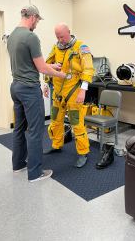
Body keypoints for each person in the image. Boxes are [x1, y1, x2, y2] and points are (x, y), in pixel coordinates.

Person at [7, 5, 66, 183]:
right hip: (29, 90)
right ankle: (35, 173)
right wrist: (60, 74)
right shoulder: (31, 37)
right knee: (35, 130)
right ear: (32, 17)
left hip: (15, 87)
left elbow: (30, 63)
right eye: (38, 20)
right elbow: (41, 68)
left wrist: (52, 66)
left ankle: (18, 164)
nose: (37, 24)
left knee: (19, 128)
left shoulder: (12, 36)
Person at [43, 23, 94, 168]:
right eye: (57, 37)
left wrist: (83, 90)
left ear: (69, 33)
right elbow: (47, 65)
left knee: (77, 123)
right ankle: (56, 144)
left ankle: (83, 152)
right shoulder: (55, 47)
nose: (60, 39)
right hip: (58, 92)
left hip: (74, 91)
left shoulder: (81, 47)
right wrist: (46, 84)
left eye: (62, 36)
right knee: (55, 121)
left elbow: (88, 69)